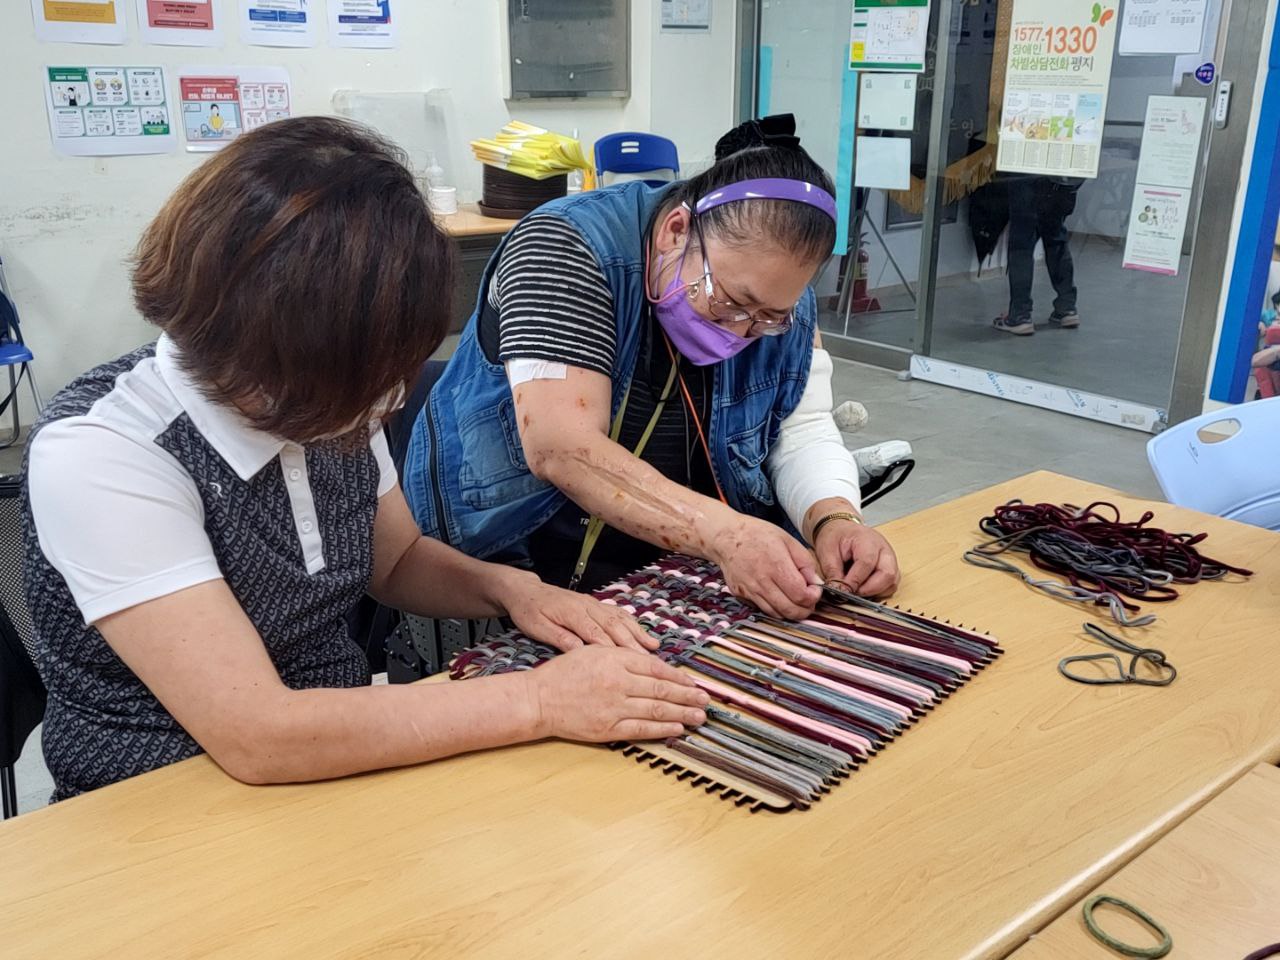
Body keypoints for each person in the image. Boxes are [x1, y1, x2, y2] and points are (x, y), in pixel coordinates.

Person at [23, 117, 708, 802]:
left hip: (341, 763)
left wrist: (514, 592)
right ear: (276, 348)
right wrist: (537, 701)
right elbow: (260, 733)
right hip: (155, 807)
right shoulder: (104, 453)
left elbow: (397, 559)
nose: (386, 403)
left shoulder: (326, 398)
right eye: (367, 378)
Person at [403, 115, 899, 620]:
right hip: (515, 557)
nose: (740, 331)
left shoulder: (779, 296)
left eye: (769, 318)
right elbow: (562, 447)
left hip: (681, 565)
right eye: (729, 302)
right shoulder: (564, 246)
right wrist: (727, 535)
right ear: (675, 230)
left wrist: (833, 517)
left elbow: (802, 427)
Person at [994, 174, 1082, 336]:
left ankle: (1020, 316)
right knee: (1056, 237)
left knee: (1022, 244)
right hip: (1065, 178)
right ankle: (1067, 308)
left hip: (1031, 174)